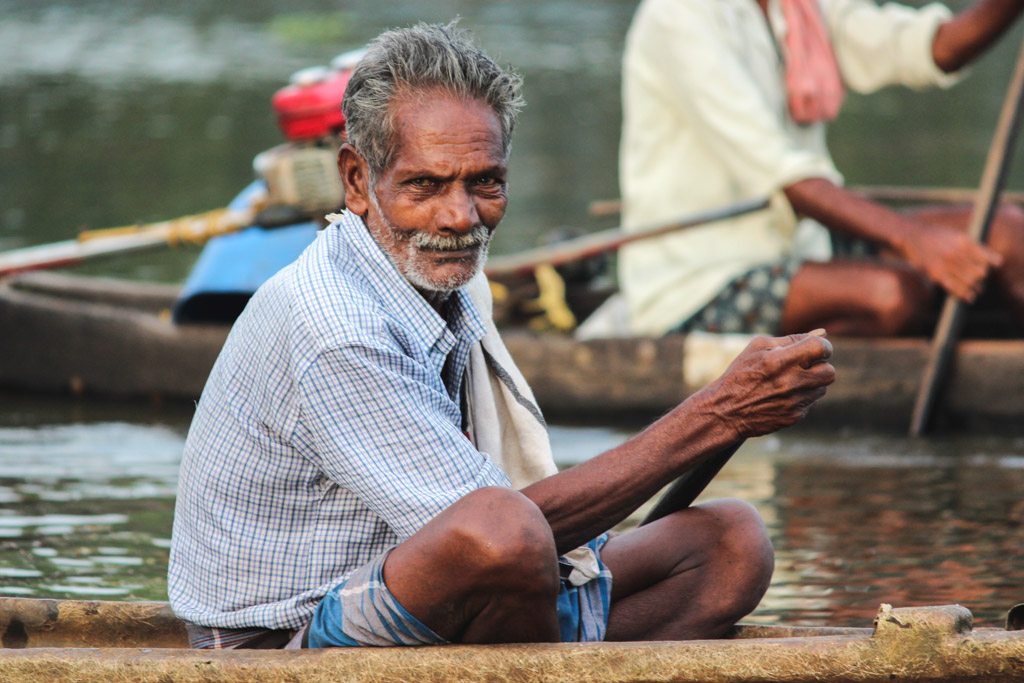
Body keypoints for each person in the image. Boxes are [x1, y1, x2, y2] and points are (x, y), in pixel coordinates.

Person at [168, 22, 835, 650]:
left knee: (732, 545)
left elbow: (506, 525)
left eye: (484, 183)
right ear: (356, 181)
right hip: (280, 639)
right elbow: (501, 530)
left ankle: (544, 650)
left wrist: (724, 415)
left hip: (426, 579)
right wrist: (719, 412)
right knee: (503, 531)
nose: (460, 216)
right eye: (425, 186)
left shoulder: (451, 280)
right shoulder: (335, 323)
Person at [615, 0, 1024, 339]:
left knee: (1009, 235)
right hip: (701, 277)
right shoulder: (678, 16)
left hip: (807, 243)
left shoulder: (800, 8)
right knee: (894, 296)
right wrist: (913, 239)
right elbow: (784, 175)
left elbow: (939, 48)